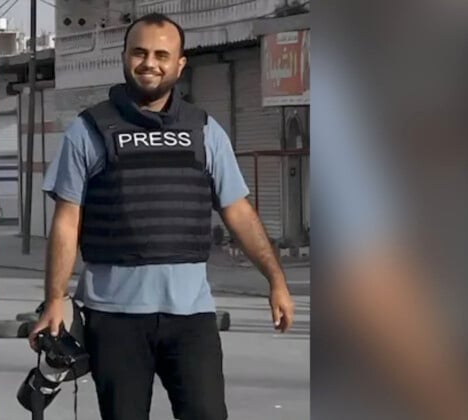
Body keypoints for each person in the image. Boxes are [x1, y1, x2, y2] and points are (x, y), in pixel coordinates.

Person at [29, 12, 295, 420]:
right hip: (113, 318)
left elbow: (238, 210)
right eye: (139, 52)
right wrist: (54, 300)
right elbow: (67, 221)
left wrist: (276, 280)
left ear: (179, 64)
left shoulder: (204, 130)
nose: (149, 63)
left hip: (191, 319)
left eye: (161, 54)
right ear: (124, 56)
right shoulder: (89, 130)